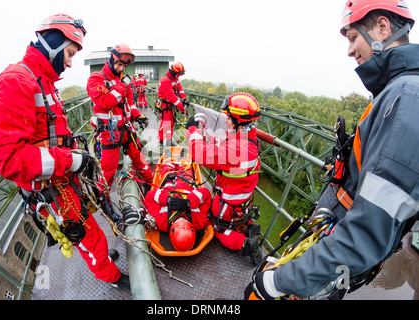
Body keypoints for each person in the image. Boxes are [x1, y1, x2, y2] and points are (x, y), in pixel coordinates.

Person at [246, 0, 419, 300]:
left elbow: (365, 234)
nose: (349, 50)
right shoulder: (395, 92)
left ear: (382, 27)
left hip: (338, 254)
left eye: (353, 37)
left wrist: (279, 282)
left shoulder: (407, 100)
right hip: (332, 240)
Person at [0, 14, 130, 290]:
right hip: (52, 185)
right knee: (86, 233)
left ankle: (103, 262)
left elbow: (50, 135)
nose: (69, 62)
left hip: (61, 176)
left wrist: (74, 158)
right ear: (53, 44)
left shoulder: (43, 82)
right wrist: (73, 160)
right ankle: (110, 276)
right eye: (69, 53)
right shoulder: (16, 82)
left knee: (89, 228)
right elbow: (9, 159)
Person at [185, 92, 263, 265]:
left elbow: (200, 155)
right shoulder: (248, 139)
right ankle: (248, 225)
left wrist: (193, 131)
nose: (226, 121)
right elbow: (223, 146)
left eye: (229, 118)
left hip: (229, 203)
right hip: (242, 199)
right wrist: (204, 135)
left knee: (216, 227)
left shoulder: (238, 149)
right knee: (235, 218)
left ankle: (244, 245)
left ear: (239, 122)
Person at [86, 44, 152, 194]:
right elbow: (106, 103)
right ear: (112, 59)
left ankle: (151, 182)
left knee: (140, 160)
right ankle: (102, 200)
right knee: (108, 171)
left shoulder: (124, 81)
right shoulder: (96, 78)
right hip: (110, 133)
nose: (121, 69)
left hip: (127, 129)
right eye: (119, 64)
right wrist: (122, 85)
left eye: (124, 66)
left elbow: (129, 103)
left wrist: (138, 115)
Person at [143, 161, 212, 250]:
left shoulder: (162, 222)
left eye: (178, 222)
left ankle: (169, 162)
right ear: (192, 227)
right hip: (186, 180)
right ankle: (182, 163)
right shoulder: (199, 221)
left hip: (168, 182)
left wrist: (167, 199)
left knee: (167, 165)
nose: (180, 219)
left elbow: (149, 198)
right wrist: (188, 203)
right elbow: (206, 194)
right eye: (184, 222)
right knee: (186, 167)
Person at [157, 62, 190, 146]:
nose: (178, 77)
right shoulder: (165, 80)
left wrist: (184, 98)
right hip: (165, 106)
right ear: (173, 72)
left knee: (170, 124)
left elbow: (180, 90)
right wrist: (182, 109)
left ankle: (168, 140)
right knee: (166, 124)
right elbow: (172, 97)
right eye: (178, 75)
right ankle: (162, 142)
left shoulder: (174, 78)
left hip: (170, 106)